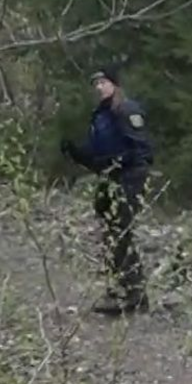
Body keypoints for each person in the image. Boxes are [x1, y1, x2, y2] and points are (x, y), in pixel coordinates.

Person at [60, 67, 153, 315]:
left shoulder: (126, 110)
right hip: (108, 177)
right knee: (110, 232)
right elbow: (94, 156)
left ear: (115, 84)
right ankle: (118, 288)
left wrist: (117, 162)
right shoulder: (99, 116)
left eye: (103, 82)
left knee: (122, 231)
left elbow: (141, 151)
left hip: (129, 176)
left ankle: (135, 294)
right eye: (96, 83)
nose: (99, 87)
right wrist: (75, 152)